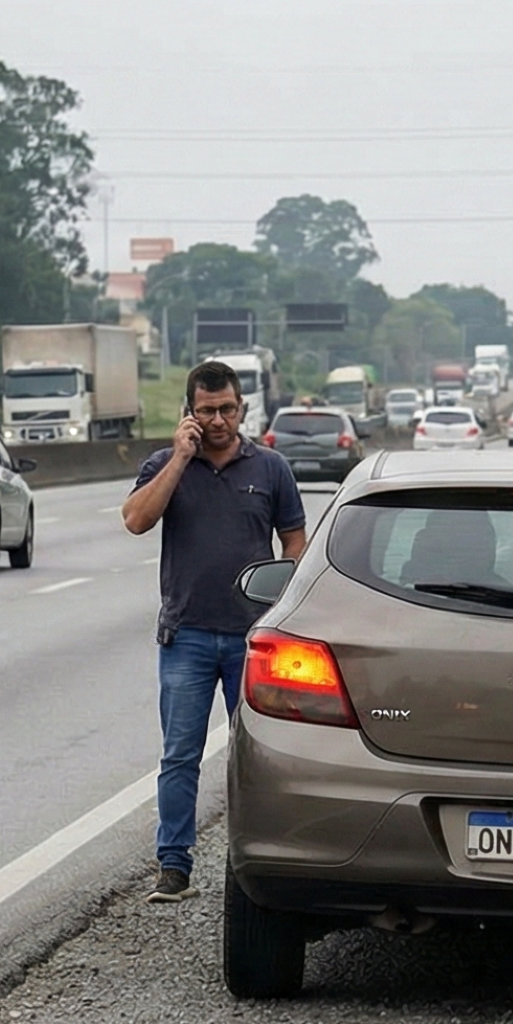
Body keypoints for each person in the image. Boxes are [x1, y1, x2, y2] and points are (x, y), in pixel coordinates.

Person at [123, 358, 307, 902]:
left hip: (254, 639)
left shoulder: (271, 468)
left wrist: (283, 597)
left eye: (227, 408)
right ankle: (173, 864)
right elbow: (135, 520)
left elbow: (294, 540)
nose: (219, 419)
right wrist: (180, 457)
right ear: (190, 413)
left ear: (242, 407)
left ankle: (255, 857)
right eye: (206, 411)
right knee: (180, 753)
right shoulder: (164, 464)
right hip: (188, 634)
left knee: (256, 754)